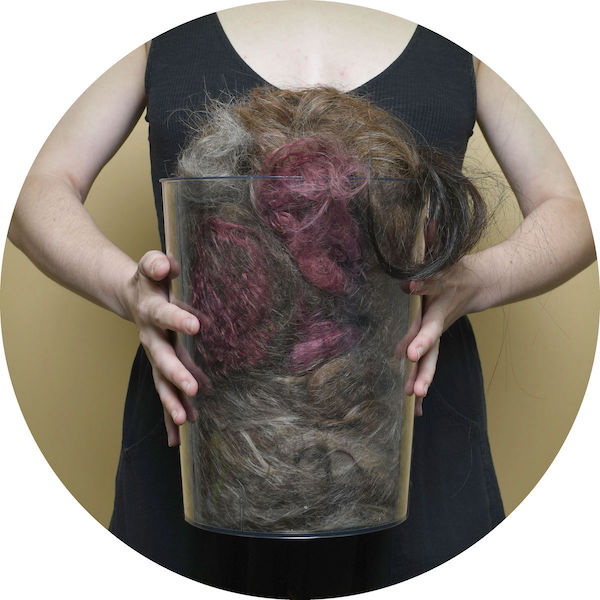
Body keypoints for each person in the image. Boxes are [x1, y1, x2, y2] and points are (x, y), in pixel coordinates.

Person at [8, 2, 595, 597]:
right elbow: (33, 183)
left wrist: (475, 280)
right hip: (202, 419)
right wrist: (129, 290)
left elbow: (575, 208)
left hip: (412, 413)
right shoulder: (153, 28)